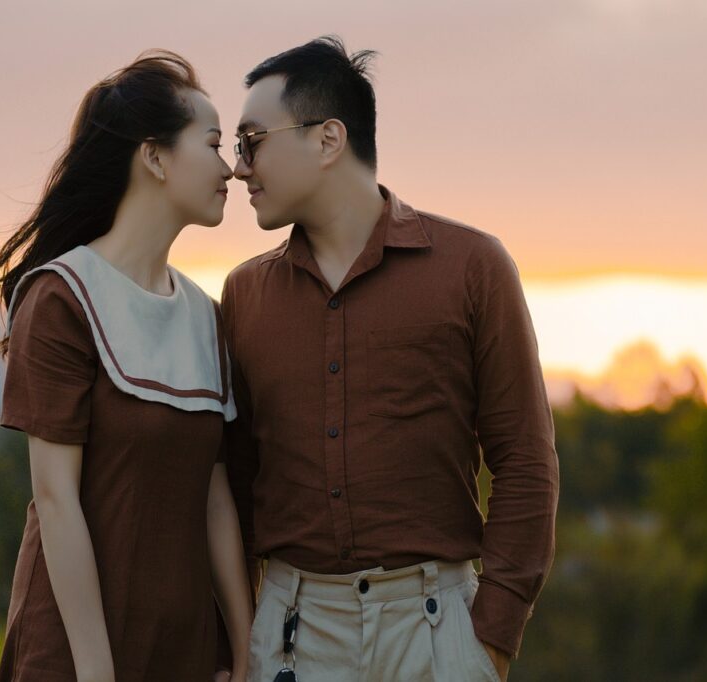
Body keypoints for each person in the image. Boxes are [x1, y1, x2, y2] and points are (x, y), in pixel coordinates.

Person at [218, 36, 560, 682]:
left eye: (252, 141)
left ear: (327, 140)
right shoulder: (244, 295)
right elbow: (235, 486)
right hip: (291, 633)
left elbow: (526, 461)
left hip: (436, 634)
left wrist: (489, 644)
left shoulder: (474, 268)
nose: (240, 168)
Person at [0, 50, 252, 682]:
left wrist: (243, 646)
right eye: (213, 145)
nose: (230, 169)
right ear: (154, 157)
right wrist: (96, 672)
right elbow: (55, 500)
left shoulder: (205, 316)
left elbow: (214, 498)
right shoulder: (62, 296)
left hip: (184, 652)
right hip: (75, 654)